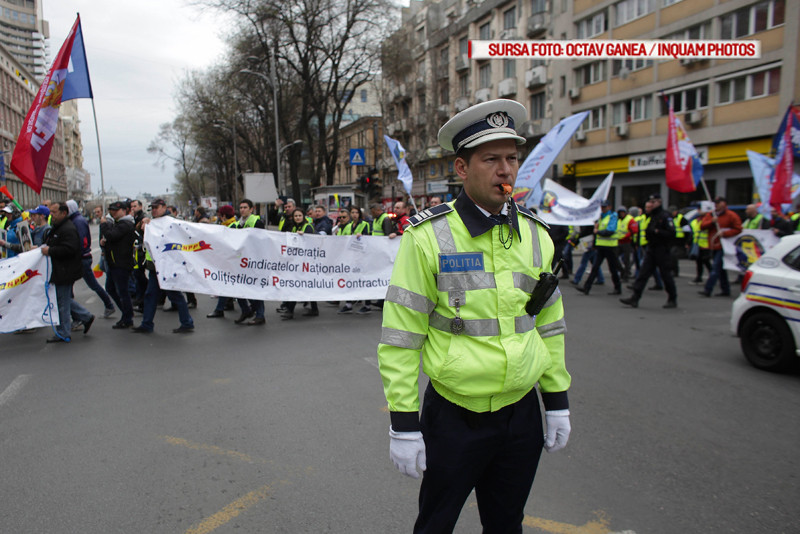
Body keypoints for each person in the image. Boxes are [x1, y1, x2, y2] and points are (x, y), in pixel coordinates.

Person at [377, 99, 571, 533]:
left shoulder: (537, 237)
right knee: (435, 524)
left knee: (507, 525)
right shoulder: (428, 237)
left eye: (511, 158)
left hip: (520, 414)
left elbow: (549, 325)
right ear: (462, 169)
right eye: (491, 159)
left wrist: (556, 400)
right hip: (455, 417)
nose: (505, 170)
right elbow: (401, 335)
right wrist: (403, 423)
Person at [132, 198, 195, 334]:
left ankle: (187, 322)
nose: (154, 210)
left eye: (156, 207)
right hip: (157, 267)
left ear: (164, 207)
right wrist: (144, 223)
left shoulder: (171, 222)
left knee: (174, 295)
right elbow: (139, 231)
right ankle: (147, 323)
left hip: (167, 267)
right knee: (151, 295)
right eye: (152, 208)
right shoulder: (153, 222)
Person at [40, 202, 95, 343]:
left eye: (54, 212)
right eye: (50, 212)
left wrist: (50, 251)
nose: (51, 214)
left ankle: (63, 332)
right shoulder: (59, 227)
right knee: (63, 299)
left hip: (65, 270)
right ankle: (86, 316)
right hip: (60, 270)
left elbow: (70, 249)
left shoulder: (68, 228)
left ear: (63, 213)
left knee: (62, 303)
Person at [620, 193, 678, 308]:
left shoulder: (665, 216)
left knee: (666, 275)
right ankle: (635, 298)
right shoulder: (651, 216)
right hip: (651, 248)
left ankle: (672, 298)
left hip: (662, 249)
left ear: (659, 202)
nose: (650, 204)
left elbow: (672, 233)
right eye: (650, 202)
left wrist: (657, 232)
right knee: (643, 273)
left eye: (653, 202)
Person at [66, 199, 116, 319]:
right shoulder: (75, 220)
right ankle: (74, 313)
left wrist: (78, 254)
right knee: (69, 286)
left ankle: (108, 305)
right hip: (79, 258)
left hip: (81, 258)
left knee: (92, 284)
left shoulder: (77, 221)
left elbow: (82, 241)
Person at [99, 200, 136, 328]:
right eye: (111, 210)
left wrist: (104, 226)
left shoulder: (125, 224)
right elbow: (111, 239)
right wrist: (104, 242)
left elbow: (111, 236)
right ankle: (127, 313)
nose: (113, 212)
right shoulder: (118, 223)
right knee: (111, 288)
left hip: (121, 263)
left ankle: (127, 317)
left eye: (116, 210)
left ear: (124, 211)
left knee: (122, 291)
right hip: (115, 263)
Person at [698, 196, 741, 298]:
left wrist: (725, 233)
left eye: (719, 202)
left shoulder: (731, 215)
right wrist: (711, 222)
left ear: (724, 204)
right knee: (721, 269)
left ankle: (708, 289)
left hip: (724, 245)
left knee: (716, 268)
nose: (716, 205)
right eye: (715, 203)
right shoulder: (711, 215)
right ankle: (725, 289)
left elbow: (738, 229)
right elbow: (702, 226)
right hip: (714, 245)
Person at [231, 199, 266, 325]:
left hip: (253, 261)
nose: (242, 210)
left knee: (255, 288)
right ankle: (246, 310)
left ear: (251, 209)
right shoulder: (235, 225)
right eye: (240, 207)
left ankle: (260, 315)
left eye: (245, 207)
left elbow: (262, 241)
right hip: (240, 261)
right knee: (238, 288)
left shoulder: (257, 222)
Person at [576, 200, 622, 295]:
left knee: (613, 269)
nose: (603, 209)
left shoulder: (612, 216)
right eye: (602, 207)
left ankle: (618, 288)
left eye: (604, 207)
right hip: (601, 247)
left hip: (610, 247)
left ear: (609, 207)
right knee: (595, 267)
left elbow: (610, 231)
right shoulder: (601, 217)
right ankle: (586, 287)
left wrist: (598, 231)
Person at [280, 209, 317, 320]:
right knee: (304, 286)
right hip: (297, 261)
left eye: (299, 215)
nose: (297, 217)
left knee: (296, 286)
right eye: (295, 216)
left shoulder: (307, 227)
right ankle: (314, 309)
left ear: (303, 216)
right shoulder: (294, 227)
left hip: (305, 262)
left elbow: (312, 241)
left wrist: (304, 235)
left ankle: (290, 310)